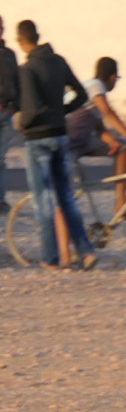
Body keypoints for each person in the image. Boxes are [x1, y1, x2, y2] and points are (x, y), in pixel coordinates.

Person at [12, 19, 95, 270]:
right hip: (61, 135)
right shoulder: (59, 61)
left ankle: (50, 258)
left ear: (20, 41)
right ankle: (87, 252)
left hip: (38, 140)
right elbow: (81, 93)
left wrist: (22, 123)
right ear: (38, 36)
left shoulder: (27, 69)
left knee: (43, 201)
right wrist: (63, 111)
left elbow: (33, 107)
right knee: (66, 198)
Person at [66, 56, 126, 218]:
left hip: (81, 141)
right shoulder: (96, 87)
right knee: (65, 199)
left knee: (123, 148)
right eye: (116, 79)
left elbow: (97, 126)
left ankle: (121, 204)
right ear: (111, 78)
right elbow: (107, 112)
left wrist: (112, 141)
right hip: (67, 145)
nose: (115, 83)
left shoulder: (90, 88)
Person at [0, 14, 18, 214]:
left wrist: (16, 106)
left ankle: (1, 200)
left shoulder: (9, 54)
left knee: (1, 159)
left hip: (7, 112)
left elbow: (17, 81)